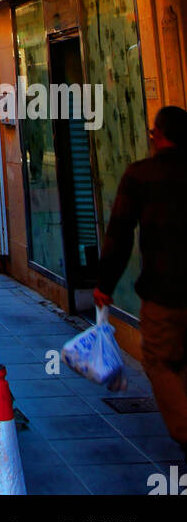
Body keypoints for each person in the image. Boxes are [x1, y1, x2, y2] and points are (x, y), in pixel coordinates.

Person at [94, 105, 187, 462]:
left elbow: (119, 234)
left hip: (163, 292)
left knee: (161, 362)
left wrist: (105, 283)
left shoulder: (142, 175)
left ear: (158, 135)